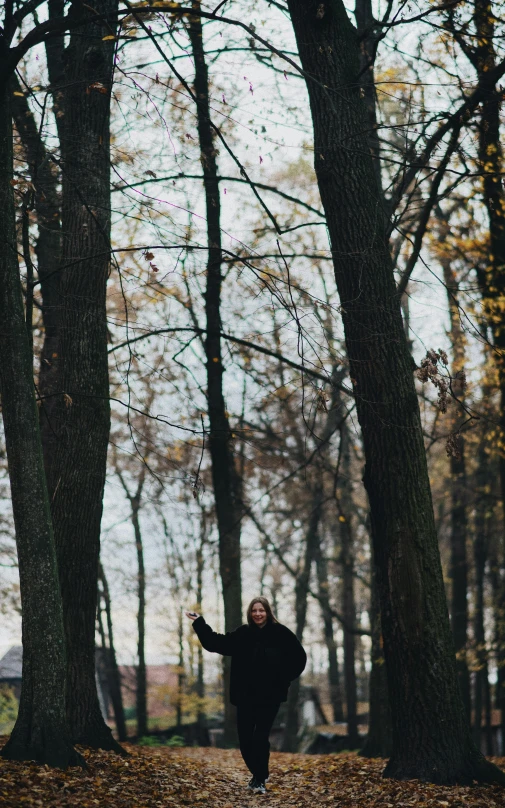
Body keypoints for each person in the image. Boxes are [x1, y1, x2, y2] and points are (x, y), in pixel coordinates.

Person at [186, 597, 306, 795]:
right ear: (250, 614)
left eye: (261, 610)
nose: (258, 614)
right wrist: (199, 622)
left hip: (270, 696)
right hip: (245, 697)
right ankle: (261, 772)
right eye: (254, 611)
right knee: (245, 740)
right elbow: (216, 643)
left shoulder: (281, 633)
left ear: (268, 612)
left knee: (260, 737)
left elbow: (299, 658)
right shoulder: (243, 634)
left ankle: (259, 779)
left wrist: (283, 679)